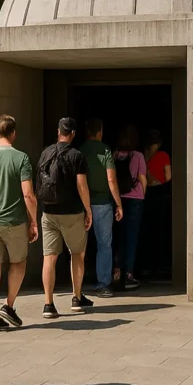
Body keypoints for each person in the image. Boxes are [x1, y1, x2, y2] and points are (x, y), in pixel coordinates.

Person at [0, 114, 38, 332]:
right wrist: (33, 221)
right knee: (18, 263)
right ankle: (8, 305)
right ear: (13, 133)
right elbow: (28, 194)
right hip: (14, 221)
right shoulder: (21, 158)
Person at [36, 117, 93, 318]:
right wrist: (88, 210)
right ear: (73, 134)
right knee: (77, 253)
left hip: (49, 212)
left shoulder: (46, 153)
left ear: (58, 131)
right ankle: (77, 298)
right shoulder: (76, 155)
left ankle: (48, 304)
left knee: (49, 257)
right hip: (72, 213)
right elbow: (81, 186)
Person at [79, 118, 123, 298]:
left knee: (79, 246)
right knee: (104, 245)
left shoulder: (80, 150)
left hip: (83, 204)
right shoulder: (105, 150)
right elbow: (111, 179)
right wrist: (119, 203)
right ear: (100, 131)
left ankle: (77, 285)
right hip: (103, 203)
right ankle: (103, 284)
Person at [111, 125, 147, 291]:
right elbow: (142, 178)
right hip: (135, 200)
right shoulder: (138, 156)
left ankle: (116, 273)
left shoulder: (115, 155)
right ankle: (129, 275)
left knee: (120, 238)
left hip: (119, 200)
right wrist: (143, 193)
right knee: (132, 238)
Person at [140, 130, 172, 280]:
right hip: (159, 193)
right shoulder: (163, 155)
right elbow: (168, 177)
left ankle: (146, 264)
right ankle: (160, 264)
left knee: (146, 229)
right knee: (160, 229)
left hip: (145, 194)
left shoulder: (142, 156)